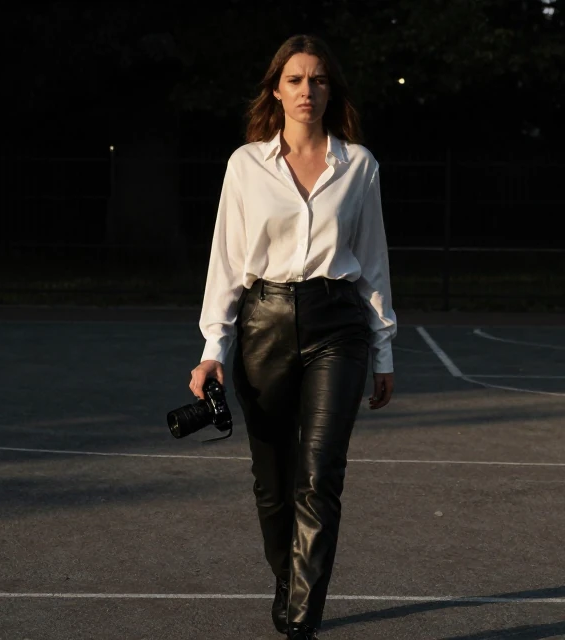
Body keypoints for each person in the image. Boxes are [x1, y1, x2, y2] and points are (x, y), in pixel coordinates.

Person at [189, 34, 398, 640]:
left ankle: (303, 618)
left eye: (319, 80)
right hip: (264, 325)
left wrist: (383, 349)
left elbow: (374, 264)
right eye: (296, 80)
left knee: (321, 475)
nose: (308, 90)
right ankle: (288, 579)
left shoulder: (359, 166)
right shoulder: (245, 165)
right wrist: (213, 350)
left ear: (332, 91)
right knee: (274, 481)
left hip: (339, 326)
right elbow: (226, 263)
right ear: (276, 90)